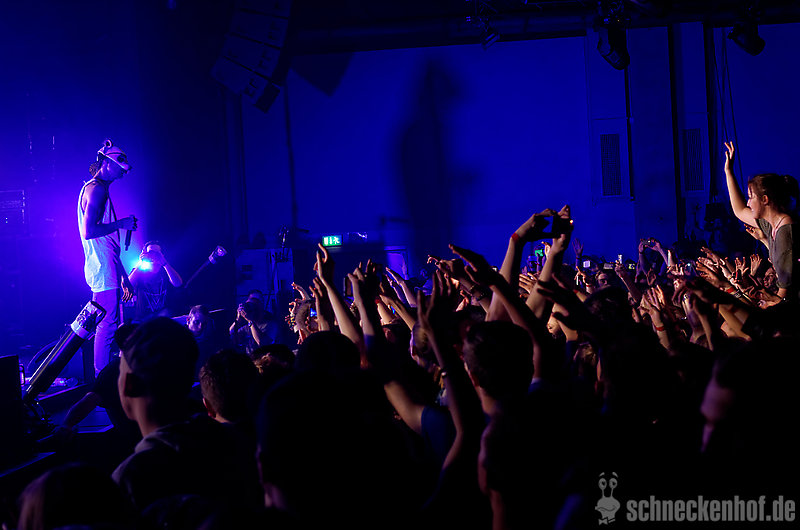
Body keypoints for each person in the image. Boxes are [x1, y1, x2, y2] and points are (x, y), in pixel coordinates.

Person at [78, 138, 137, 375]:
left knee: (107, 321)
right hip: (102, 266)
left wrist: (123, 275)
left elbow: (108, 243)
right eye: (120, 168)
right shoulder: (97, 190)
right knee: (107, 325)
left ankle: (103, 375)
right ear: (107, 163)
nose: (123, 173)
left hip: (106, 264)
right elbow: (89, 231)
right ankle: (102, 378)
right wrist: (122, 223)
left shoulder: (97, 188)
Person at [723, 141, 800, 302]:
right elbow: (739, 210)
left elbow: (784, 293)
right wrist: (728, 172)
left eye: (751, 197)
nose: (748, 203)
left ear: (765, 199)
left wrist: (767, 305)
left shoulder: (786, 230)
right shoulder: (771, 224)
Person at [128, 240, 183, 323]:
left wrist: (165, 263)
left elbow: (178, 284)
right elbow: (128, 286)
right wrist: (140, 262)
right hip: (142, 319)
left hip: (164, 318)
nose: (153, 255)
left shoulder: (166, 270)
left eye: (157, 253)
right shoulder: (139, 271)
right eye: (150, 252)